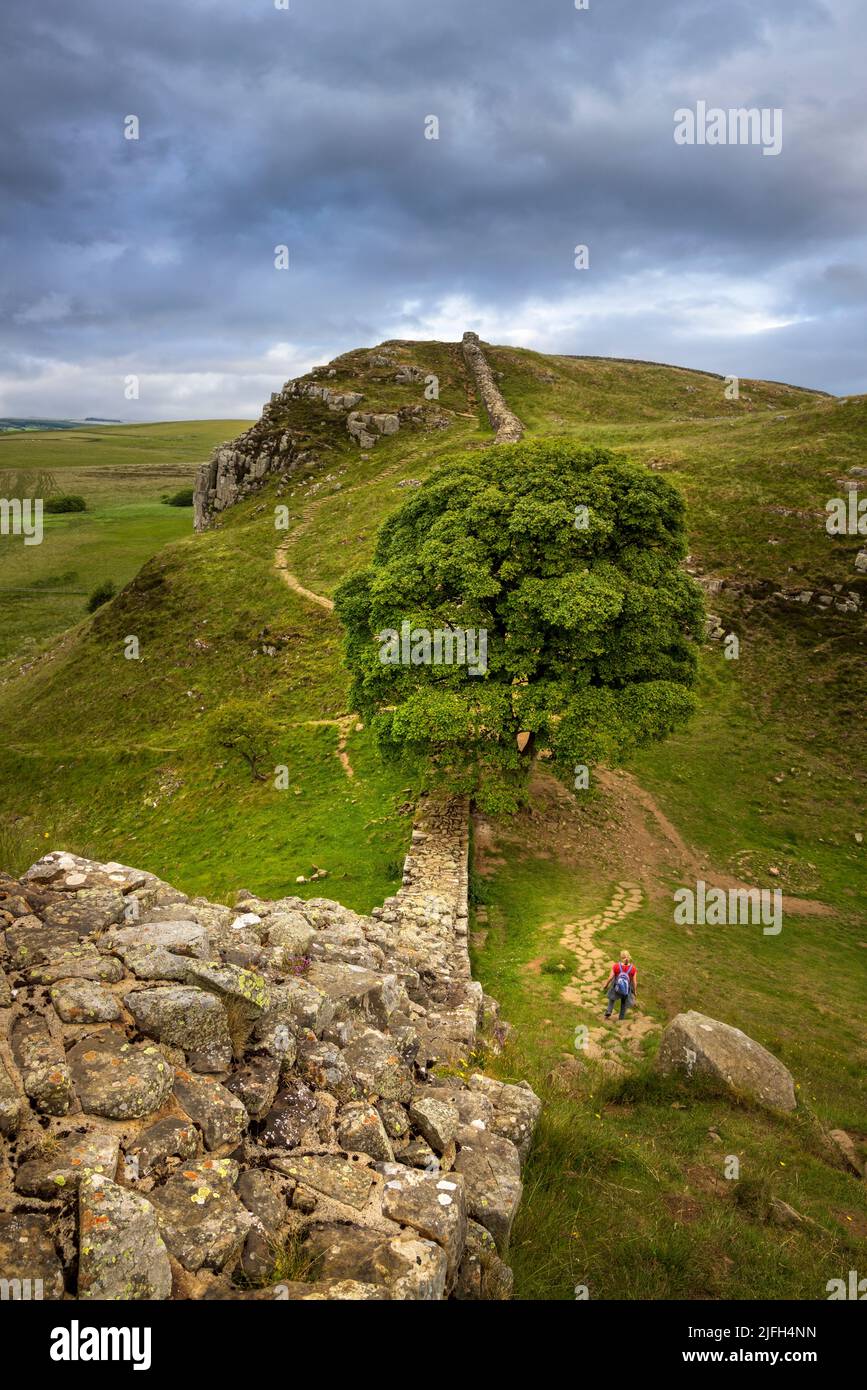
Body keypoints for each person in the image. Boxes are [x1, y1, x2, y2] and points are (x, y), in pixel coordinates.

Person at [603, 950, 636, 1020]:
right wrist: (634, 991)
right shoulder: (633, 969)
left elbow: (610, 977)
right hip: (626, 989)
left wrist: (606, 985)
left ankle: (608, 1012)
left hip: (616, 987)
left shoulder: (616, 966)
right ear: (629, 957)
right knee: (624, 1003)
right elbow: (634, 982)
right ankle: (621, 1018)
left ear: (621, 957)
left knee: (612, 999)